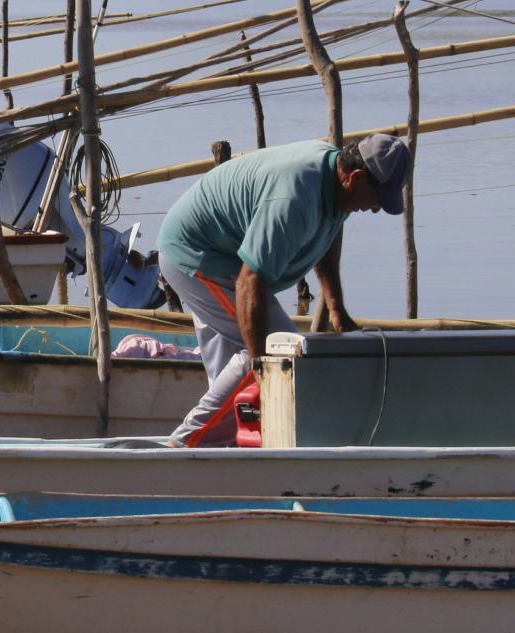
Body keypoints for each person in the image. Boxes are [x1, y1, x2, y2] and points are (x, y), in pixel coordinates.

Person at [157, 133, 410, 446]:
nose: (374, 209)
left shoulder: (338, 183)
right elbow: (250, 282)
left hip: (224, 254)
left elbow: (328, 234)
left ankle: (218, 453)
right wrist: (263, 362)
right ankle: (183, 445)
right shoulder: (293, 199)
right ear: (356, 178)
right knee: (278, 352)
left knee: (232, 377)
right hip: (199, 256)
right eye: (377, 200)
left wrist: (336, 306)